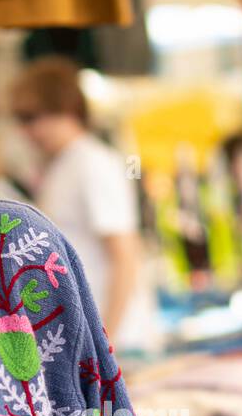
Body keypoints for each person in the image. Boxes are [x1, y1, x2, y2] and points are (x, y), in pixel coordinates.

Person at [8, 57, 148, 347]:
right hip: (91, 336)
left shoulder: (91, 163)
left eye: (30, 117)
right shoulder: (62, 165)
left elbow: (125, 254)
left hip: (118, 340)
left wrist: (107, 341)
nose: (26, 131)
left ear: (64, 109)